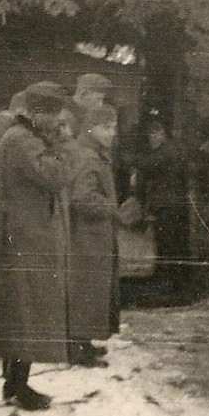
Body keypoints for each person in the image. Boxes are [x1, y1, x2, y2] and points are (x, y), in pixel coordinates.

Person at [0, 82, 73, 410]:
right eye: (54, 115)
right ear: (38, 113)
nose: (59, 122)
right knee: (25, 310)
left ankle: (14, 383)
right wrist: (67, 143)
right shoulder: (22, 141)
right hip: (23, 238)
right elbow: (58, 175)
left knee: (21, 310)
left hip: (21, 235)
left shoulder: (21, 137)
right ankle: (18, 386)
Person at [66, 103, 121, 367]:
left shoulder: (92, 152)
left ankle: (83, 342)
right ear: (91, 128)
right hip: (86, 237)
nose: (111, 133)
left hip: (92, 235)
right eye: (105, 127)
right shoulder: (88, 156)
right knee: (86, 291)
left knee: (89, 290)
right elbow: (82, 198)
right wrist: (112, 208)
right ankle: (78, 348)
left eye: (113, 127)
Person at [133, 118, 191, 292]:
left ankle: (169, 282)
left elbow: (147, 164)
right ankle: (173, 281)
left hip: (169, 205)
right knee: (172, 243)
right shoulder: (172, 149)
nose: (151, 140)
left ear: (161, 133)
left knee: (168, 243)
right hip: (172, 204)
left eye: (153, 135)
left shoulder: (166, 152)